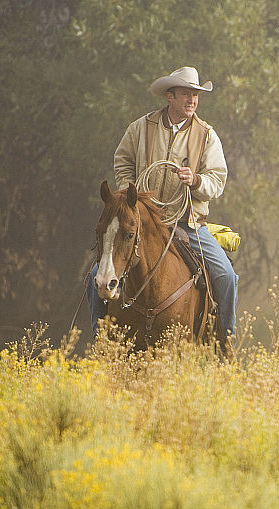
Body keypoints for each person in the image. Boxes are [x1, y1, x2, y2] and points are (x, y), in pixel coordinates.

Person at [87, 66, 238, 340]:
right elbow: (122, 160)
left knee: (226, 276)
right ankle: (100, 338)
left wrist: (195, 181)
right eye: (186, 94)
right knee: (95, 276)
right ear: (170, 96)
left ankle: (226, 344)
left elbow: (217, 180)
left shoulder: (206, 135)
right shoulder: (141, 127)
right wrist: (128, 190)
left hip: (188, 222)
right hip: (142, 220)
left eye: (196, 95)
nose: (192, 100)